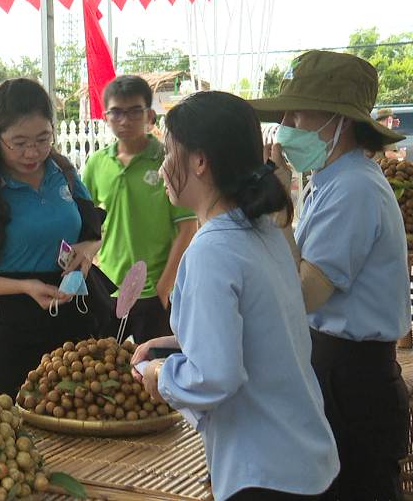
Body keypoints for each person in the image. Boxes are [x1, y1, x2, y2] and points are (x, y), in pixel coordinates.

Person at [132, 90, 339, 501]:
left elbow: (215, 376)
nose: (162, 165)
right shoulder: (261, 231)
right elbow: (261, 330)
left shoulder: (211, 250)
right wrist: (170, 345)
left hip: (263, 472)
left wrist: (160, 375)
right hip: (304, 458)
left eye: (169, 151)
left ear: (200, 161)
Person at [249, 50, 409, 501]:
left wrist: (279, 207)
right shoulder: (331, 180)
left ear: (339, 120)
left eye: (298, 112)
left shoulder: (355, 187)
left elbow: (302, 293)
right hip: (334, 368)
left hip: (353, 381)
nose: (287, 123)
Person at [0, 78, 102, 397]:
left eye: (43, 139)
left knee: (78, 419)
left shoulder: (62, 170)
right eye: (18, 142)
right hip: (8, 327)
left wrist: (85, 249)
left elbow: (92, 231)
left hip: (72, 323)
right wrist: (24, 287)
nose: (33, 152)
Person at [82, 75, 197, 343]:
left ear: (149, 115)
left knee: (152, 372)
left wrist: (164, 287)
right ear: (106, 116)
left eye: (134, 111)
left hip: (152, 292)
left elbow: (187, 228)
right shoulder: (98, 163)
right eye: (116, 112)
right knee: (104, 372)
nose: (125, 121)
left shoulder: (167, 161)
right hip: (108, 290)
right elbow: (85, 222)